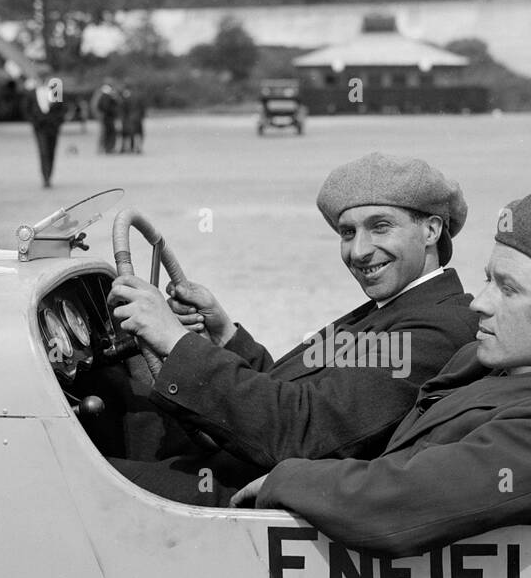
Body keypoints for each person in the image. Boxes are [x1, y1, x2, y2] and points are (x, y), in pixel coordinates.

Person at [232, 190, 531, 558]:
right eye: (488, 280)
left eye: (508, 289)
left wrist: (285, 479)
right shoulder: (495, 361)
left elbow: (404, 502)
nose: (479, 304)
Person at [106, 152, 479, 505]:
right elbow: (301, 392)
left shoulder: (439, 328)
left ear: (431, 230)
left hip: (252, 497)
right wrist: (225, 338)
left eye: (380, 227)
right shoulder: (397, 307)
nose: (360, 251)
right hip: (243, 468)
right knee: (117, 397)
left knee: (62, 482)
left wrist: (176, 339)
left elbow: (305, 431)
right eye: (348, 233)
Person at [22, 77, 67, 189]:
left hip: (53, 127)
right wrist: (35, 122)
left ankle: (49, 175)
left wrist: (57, 123)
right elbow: (26, 109)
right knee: (43, 151)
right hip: (40, 127)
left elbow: (62, 109)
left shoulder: (55, 91)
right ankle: (45, 177)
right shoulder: (32, 93)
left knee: (51, 152)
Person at [94, 83, 119, 154]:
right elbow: (107, 107)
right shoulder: (107, 97)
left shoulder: (101, 96)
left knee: (105, 133)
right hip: (108, 118)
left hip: (105, 118)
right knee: (109, 133)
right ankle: (109, 148)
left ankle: (104, 148)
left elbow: (99, 107)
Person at [121, 87, 146, 153]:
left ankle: (128, 148)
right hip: (137, 118)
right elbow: (142, 108)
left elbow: (123, 109)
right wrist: (141, 116)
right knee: (137, 134)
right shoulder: (138, 97)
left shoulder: (125, 98)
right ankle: (138, 148)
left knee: (128, 134)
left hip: (129, 119)